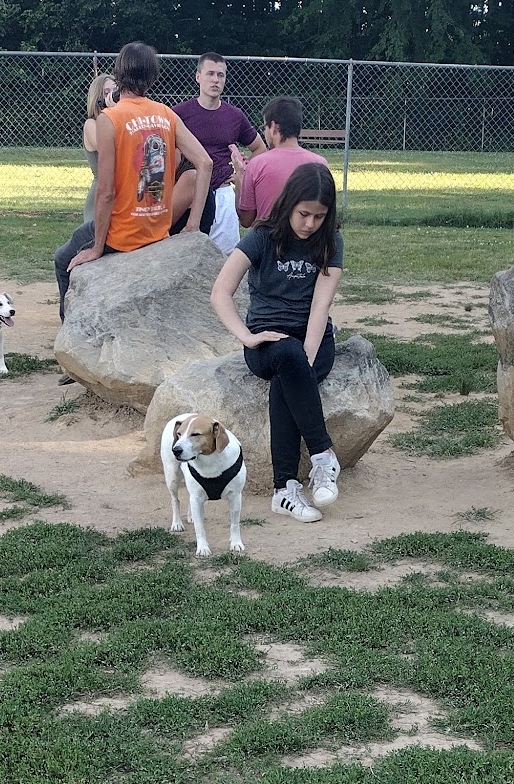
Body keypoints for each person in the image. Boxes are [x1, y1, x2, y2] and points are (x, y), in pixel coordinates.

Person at [211, 162, 346, 523]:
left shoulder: (330, 241)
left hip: (313, 342)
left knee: (289, 372)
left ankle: (283, 490)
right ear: (288, 205)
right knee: (285, 355)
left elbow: (321, 307)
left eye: (319, 216)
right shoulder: (261, 236)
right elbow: (221, 292)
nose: (309, 224)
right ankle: (322, 454)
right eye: (303, 214)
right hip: (265, 343)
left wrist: (306, 358)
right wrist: (247, 337)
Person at [68, 42, 212, 280]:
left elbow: (105, 192)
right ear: (152, 76)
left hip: (123, 235)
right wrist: (192, 224)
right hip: (157, 232)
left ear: (119, 73)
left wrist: (97, 247)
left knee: (63, 258)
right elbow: (205, 164)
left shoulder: (109, 118)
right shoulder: (167, 113)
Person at [175, 52, 264, 236]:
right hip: (190, 195)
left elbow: (259, 148)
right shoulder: (179, 113)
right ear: (198, 76)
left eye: (220, 75)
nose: (215, 80)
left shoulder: (234, 115)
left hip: (223, 195)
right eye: (210, 74)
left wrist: (243, 169)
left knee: (224, 260)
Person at [53, 72, 118, 319]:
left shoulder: (121, 120)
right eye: (107, 92)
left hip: (115, 198)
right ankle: (68, 314)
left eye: (117, 90)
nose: (113, 95)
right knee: (72, 256)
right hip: (99, 197)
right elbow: (109, 151)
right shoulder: (93, 124)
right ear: (97, 98)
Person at [235, 96, 326, 228]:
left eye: (264, 127)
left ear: (273, 127)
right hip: (308, 242)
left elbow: (246, 220)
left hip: (268, 242)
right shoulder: (320, 164)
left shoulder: (257, 164)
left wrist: (240, 179)